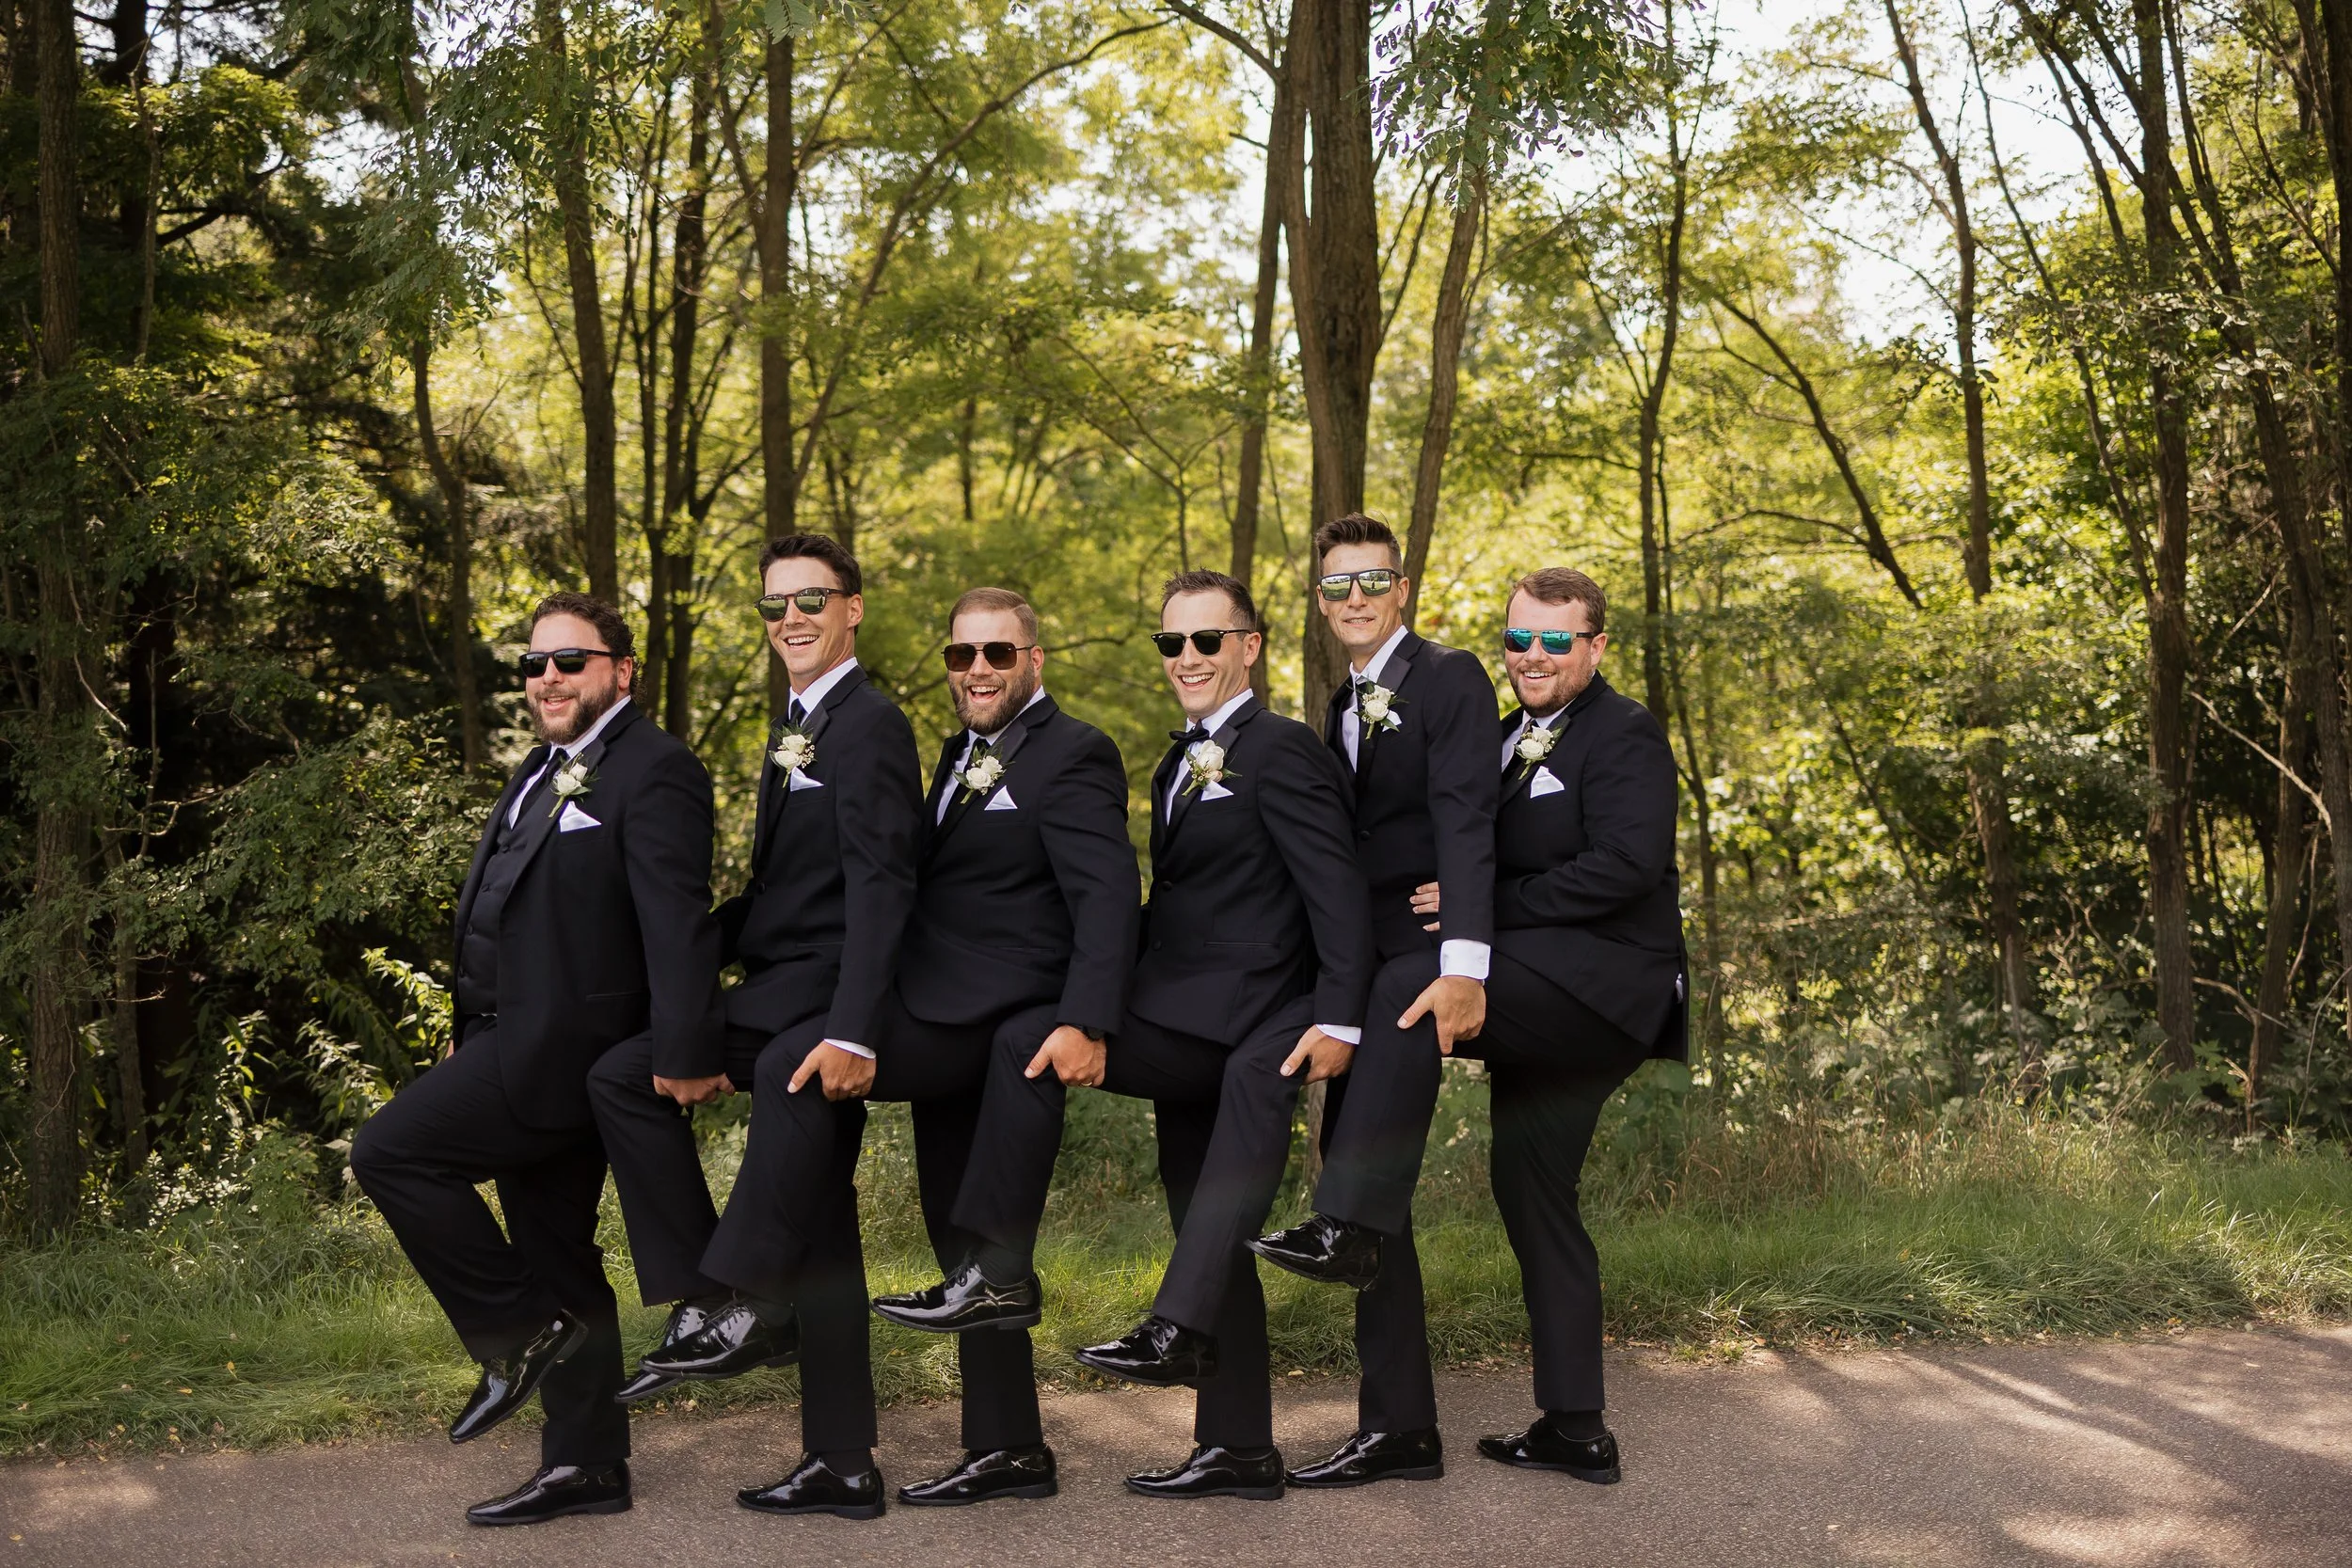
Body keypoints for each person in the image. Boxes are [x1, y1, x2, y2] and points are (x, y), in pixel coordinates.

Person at [909, 567, 1375, 1501]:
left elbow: (1334, 889)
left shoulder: (1279, 747)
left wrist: (1337, 1014)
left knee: (1024, 1045)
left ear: (1251, 646)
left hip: (1243, 1015)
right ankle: (1238, 1445)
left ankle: (996, 1269)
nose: (1189, 657)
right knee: (1200, 1212)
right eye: (1173, 642)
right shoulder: (1176, 759)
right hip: (1181, 1008)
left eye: (1208, 639)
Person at [1270, 566, 1685, 1483]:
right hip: (1545, 999)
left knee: (1405, 993)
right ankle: (1575, 1427)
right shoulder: (1505, 739)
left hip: (1606, 989)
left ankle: (1349, 1217)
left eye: (1554, 639)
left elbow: (1626, 864)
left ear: (1595, 645)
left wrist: (1477, 900)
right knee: (1532, 1192)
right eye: (1517, 640)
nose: (1531, 656)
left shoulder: (1623, 733)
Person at [351, 591, 723, 1528]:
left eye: (570, 661)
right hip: (503, 1038)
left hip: (571, 1049)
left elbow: (677, 922)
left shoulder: (657, 767)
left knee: (391, 1152)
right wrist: (467, 1018)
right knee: (556, 1245)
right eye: (534, 664)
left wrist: (683, 1049)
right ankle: (587, 1463)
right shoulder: (539, 766)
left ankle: (520, 1333)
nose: (548, 678)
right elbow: (509, 907)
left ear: (621, 670)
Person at [588, 533, 922, 1520]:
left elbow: (880, 883)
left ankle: (731, 1299)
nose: (792, 619)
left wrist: (856, 1029)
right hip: (783, 981)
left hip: (830, 999)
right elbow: (788, 890)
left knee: (780, 1078)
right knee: (627, 1075)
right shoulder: (798, 724)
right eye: (776, 604)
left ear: (852, 607)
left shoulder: (870, 724)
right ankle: (836, 1452)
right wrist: (694, 941)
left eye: (811, 599)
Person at [841, 586, 1142, 1506]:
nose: (976, 670)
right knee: (966, 1246)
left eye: (997, 654)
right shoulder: (955, 754)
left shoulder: (1074, 751)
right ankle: (1010, 1448)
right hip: (941, 1013)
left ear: (1033, 660)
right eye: (960, 655)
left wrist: (1086, 1017)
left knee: (980, 1245)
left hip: (1013, 1021)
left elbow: (1105, 893)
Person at [1248, 513, 1497, 1489]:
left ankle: (1339, 1224)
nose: (1354, 597)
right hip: (1362, 957)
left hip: (1430, 952)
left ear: (1402, 589)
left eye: (1371, 580)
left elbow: (1466, 815)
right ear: (1320, 603)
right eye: (1336, 584)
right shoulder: (1336, 704)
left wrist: (1467, 959)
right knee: (1364, 1186)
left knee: (1360, 1187)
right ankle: (1399, 1426)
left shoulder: (1449, 676)